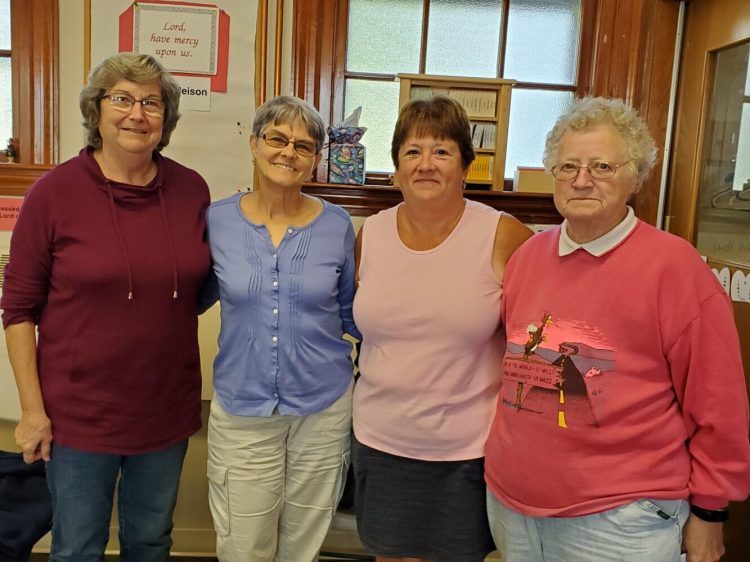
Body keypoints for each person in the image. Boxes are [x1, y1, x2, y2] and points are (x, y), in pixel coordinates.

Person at [484, 96, 750, 562]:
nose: (582, 179)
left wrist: (710, 513)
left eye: (602, 166)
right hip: (512, 506)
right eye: (568, 166)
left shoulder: (675, 268)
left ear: (636, 175)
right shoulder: (527, 257)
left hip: (621, 518)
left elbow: (719, 402)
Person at [1, 52, 211, 561]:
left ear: (167, 119)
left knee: (150, 542)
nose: (136, 113)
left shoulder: (192, 190)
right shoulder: (52, 194)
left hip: (164, 410)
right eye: (121, 99)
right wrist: (32, 411)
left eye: (151, 103)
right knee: (77, 547)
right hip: (78, 417)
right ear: (96, 110)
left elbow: (200, 290)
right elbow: (18, 310)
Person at [351, 95, 533, 562]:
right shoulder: (370, 233)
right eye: (412, 151)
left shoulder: (503, 235)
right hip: (381, 441)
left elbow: (539, 343)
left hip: (466, 452)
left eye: (442, 151)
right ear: (395, 167)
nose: (426, 164)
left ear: (466, 166)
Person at [202, 95, 360, 562]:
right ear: (254, 143)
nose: (288, 152)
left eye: (304, 146)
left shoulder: (337, 225)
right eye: (277, 139)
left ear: (315, 160)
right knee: (241, 544)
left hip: (323, 407)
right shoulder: (217, 220)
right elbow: (188, 296)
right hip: (243, 406)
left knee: (302, 545)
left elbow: (353, 313)